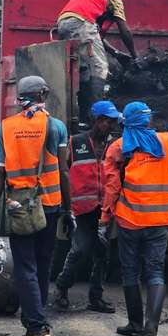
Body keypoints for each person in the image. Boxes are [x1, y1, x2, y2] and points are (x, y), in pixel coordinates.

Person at [100, 101, 168, 336]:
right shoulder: (165, 142)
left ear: (126, 122)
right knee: (155, 271)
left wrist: (104, 219)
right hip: (160, 221)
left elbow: (111, 188)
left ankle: (135, 323)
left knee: (130, 270)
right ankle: (151, 328)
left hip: (129, 220)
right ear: (147, 120)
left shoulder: (119, 147)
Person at [0, 76, 70, 336]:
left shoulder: (6, 128)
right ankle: (39, 320)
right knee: (43, 264)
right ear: (44, 94)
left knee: (26, 268)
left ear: (20, 97)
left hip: (21, 207)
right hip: (51, 204)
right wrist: (68, 209)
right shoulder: (56, 126)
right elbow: (64, 170)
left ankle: (36, 327)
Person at [53, 101, 120, 314]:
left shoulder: (114, 147)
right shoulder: (76, 143)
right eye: (105, 121)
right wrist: (65, 207)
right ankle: (62, 288)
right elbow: (62, 173)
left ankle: (96, 297)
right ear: (96, 120)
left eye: (112, 122)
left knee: (102, 252)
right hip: (82, 209)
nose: (109, 125)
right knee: (80, 249)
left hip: (105, 209)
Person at [56, 0, 137, 122]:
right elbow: (124, 30)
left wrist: (116, 53)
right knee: (100, 68)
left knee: (84, 71)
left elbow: (96, 37)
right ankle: (96, 116)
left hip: (63, 25)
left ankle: (81, 117)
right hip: (81, 23)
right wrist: (134, 56)